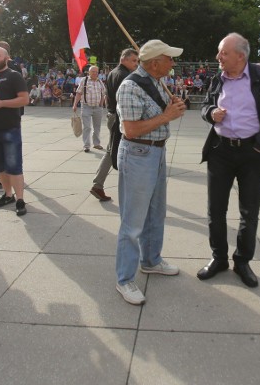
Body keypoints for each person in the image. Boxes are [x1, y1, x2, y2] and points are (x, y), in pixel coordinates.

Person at [198, 33, 260, 288]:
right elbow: (205, 105)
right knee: (215, 211)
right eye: (219, 52)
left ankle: (242, 261)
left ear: (241, 56)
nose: (218, 57)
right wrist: (210, 112)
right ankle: (219, 258)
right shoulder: (218, 78)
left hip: (252, 154)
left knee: (249, 212)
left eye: (223, 53)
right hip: (220, 151)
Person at [114, 40, 187, 305]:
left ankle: (151, 260)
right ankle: (124, 279)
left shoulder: (156, 81)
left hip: (156, 152)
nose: (173, 63)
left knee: (156, 212)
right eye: (169, 58)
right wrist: (166, 117)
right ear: (155, 62)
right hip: (138, 154)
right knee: (132, 222)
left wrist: (172, 109)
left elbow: (157, 116)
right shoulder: (130, 86)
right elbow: (131, 130)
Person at [0, 46, 30, 216]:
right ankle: (7, 195)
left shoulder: (13, 76)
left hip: (10, 129)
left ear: (6, 58)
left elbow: (24, 99)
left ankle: (20, 199)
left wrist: (2, 103)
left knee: (14, 166)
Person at [89, 48, 139, 202]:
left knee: (113, 150)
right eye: (133, 61)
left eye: (137, 61)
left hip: (114, 115)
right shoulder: (124, 75)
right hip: (120, 117)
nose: (136, 64)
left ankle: (98, 184)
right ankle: (99, 185)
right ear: (123, 59)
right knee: (115, 151)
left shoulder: (113, 72)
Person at [73, 65, 106, 153]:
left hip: (97, 107)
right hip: (86, 106)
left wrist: (101, 103)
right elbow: (79, 93)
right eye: (93, 71)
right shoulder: (84, 80)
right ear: (89, 72)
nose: (95, 73)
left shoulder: (100, 81)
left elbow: (103, 94)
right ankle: (86, 145)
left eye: (96, 71)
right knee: (87, 127)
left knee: (97, 127)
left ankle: (96, 144)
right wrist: (75, 104)